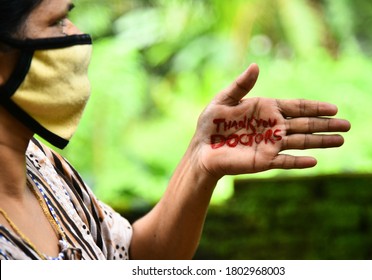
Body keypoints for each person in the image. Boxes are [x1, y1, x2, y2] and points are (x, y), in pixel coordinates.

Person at [0, 0, 351, 260]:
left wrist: (200, 162)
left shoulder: (44, 167)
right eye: (58, 22)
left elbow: (135, 258)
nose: (77, 35)